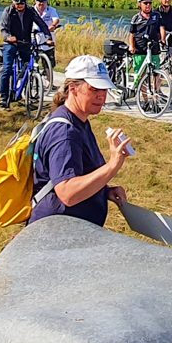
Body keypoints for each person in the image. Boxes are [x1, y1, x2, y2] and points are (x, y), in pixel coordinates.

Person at [31, 55, 132, 226]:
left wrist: (104, 191)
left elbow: (81, 173)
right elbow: (67, 193)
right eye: (94, 89)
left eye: (104, 89)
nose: (101, 96)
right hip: (55, 234)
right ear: (73, 88)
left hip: (70, 230)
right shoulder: (64, 133)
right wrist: (112, 165)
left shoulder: (79, 121)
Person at [0, 0, 45, 107]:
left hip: (25, 43)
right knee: (7, 69)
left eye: (21, 4)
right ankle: (3, 96)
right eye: (17, 4)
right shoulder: (8, 11)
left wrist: (47, 36)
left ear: (25, 3)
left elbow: (41, 24)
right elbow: (3, 28)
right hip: (11, 43)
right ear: (13, 2)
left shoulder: (30, 11)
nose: (19, 6)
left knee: (28, 68)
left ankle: (26, 95)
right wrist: (8, 37)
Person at [33, 0, 62, 87]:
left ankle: (49, 82)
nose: (41, 3)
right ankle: (32, 81)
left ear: (46, 1)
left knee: (50, 63)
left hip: (48, 40)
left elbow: (56, 19)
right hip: (35, 39)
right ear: (35, 1)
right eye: (39, 1)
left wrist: (53, 25)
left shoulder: (51, 10)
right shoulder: (31, 11)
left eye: (43, 1)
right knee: (33, 62)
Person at [127, 0, 163, 66]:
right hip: (140, 48)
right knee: (140, 74)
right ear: (140, 4)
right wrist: (131, 46)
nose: (148, 5)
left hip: (154, 47)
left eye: (150, 3)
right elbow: (132, 34)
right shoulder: (136, 18)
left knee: (156, 71)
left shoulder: (157, 16)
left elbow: (161, 28)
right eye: (145, 3)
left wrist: (163, 39)